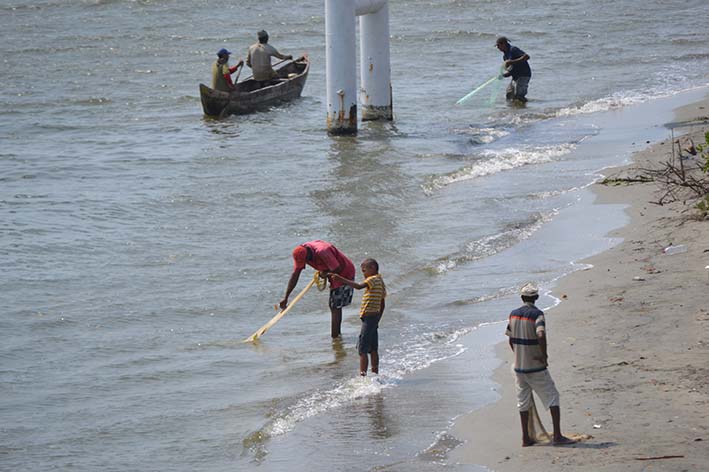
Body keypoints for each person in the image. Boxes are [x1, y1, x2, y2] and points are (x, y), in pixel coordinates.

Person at [505, 283, 575, 447]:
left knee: (523, 401)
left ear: (522, 298)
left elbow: (510, 338)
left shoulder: (513, 315)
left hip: (518, 367)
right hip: (535, 366)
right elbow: (540, 334)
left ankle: (526, 438)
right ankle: (557, 436)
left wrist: (518, 353)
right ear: (536, 297)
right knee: (552, 397)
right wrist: (543, 355)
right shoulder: (537, 314)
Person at [280, 240, 355, 338]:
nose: (306, 263)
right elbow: (295, 275)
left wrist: (324, 273)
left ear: (308, 255)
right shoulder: (300, 252)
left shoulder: (322, 251)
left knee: (335, 306)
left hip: (344, 273)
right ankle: (337, 336)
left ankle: (335, 338)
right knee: (334, 306)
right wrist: (286, 297)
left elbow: (337, 268)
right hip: (332, 273)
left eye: (306, 261)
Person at [329, 259, 386, 377]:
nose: (363, 274)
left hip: (369, 318)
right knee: (373, 348)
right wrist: (378, 319)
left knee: (362, 349)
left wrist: (341, 279)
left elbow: (359, 286)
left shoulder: (372, 279)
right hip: (374, 318)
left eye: (364, 270)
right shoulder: (380, 281)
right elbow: (382, 303)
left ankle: (363, 376)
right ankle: (375, 373)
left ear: (373, 268)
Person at [495, 36, 531, 102]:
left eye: (498, 45)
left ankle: (525, 110)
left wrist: (512, 62)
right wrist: (503, 75)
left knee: (519, 95)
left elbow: (527, 56)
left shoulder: (513, 49)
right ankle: (512, 110)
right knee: (509, 95)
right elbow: (511, 71)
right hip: (515, 77)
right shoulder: (505, 56)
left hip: (524, 75)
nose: (497, 48)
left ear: (503, 44)